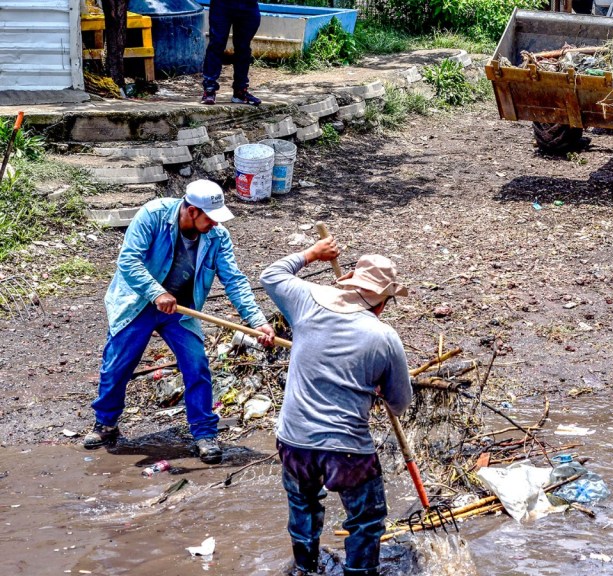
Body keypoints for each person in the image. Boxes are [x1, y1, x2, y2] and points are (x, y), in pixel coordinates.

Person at [84, 180, 276, 464]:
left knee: (196, 364)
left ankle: (204, 433)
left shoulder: (217, 237)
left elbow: (235, 281)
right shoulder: (153, 216)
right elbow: (128, 261)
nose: (214, 223)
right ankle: (106, 424)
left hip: (182, 309)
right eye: (209, 217)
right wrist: (156, 292)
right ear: (192, 210)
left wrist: (256, 320)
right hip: (139, 302)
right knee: (118, 364)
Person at [260, 240, 412, 576]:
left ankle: (304, 568)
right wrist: (376, 390)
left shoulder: (306, 302)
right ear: (382, 303)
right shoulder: (384, 337)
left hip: (293, 440)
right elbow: (400, 403)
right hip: (346, 449)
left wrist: (311, 254)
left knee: (303, 504)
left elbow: (270, 275)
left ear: (349, 282)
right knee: (366, 520)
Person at [201, 0, 262, 106]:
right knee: (217, 44)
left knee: (243, 47)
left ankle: (240, 91)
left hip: (248, 5)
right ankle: (209, 89)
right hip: (222, 4)